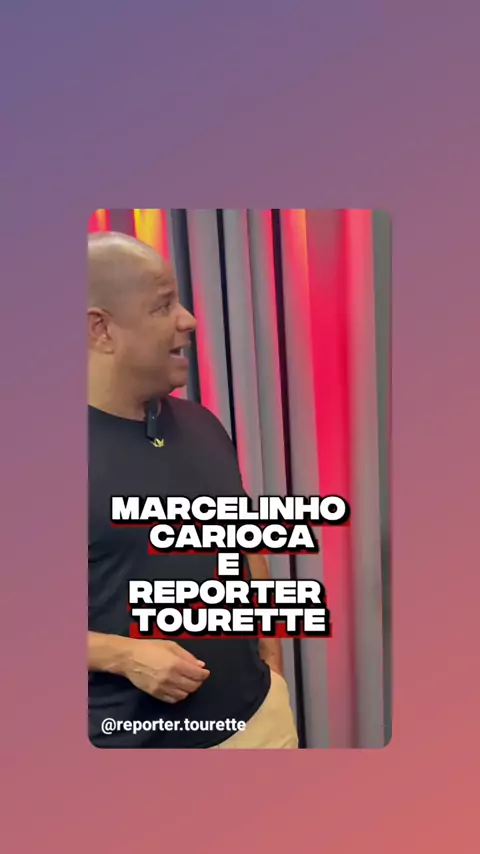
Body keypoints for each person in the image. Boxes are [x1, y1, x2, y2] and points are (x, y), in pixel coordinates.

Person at [88, 231, 298, 748]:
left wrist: (270, 661)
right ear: (101, 329)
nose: (189, 320)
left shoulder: (202, 423)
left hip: (259, 722)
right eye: (163, 306)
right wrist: (122, 654)